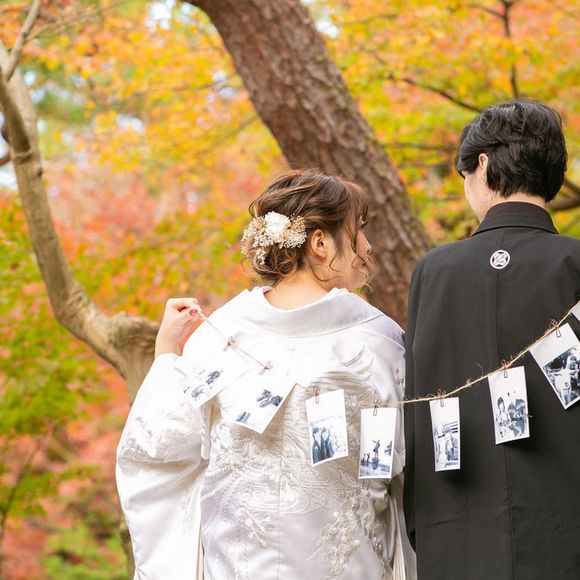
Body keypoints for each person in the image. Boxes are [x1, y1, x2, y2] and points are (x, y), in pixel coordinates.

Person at [117, 169, 416, 579]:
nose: (367, 246)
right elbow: (406, 465)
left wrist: (167, 354)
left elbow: (157, 449)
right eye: (358, 230)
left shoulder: (218, 337)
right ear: (320, 243)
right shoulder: (380, 342)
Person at [404, 100, 580, 579]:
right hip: (567, 523)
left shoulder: (434, 271)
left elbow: (418, 402)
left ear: (481, 165)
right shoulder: (573, 263)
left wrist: (420, 524)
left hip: (456, 529)